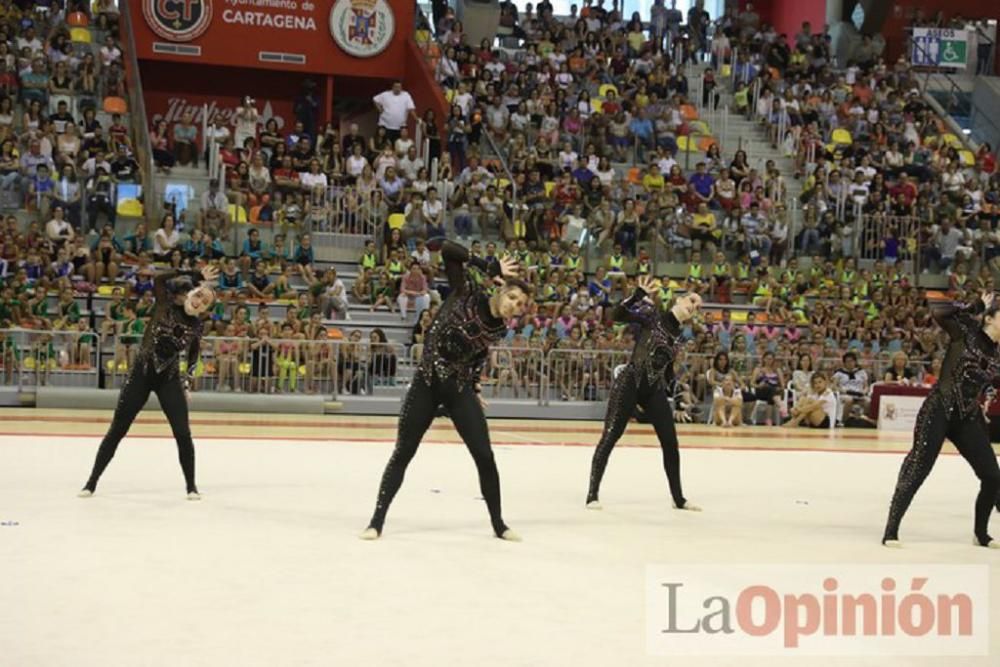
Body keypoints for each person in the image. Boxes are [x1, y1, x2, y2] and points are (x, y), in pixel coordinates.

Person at [362, 241, 530, 540]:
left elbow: (477, 353)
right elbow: (442, 248)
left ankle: (499, 524)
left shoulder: (499, 328)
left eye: (520, 305)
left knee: (485, 455)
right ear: (499, 289)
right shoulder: (465, 291)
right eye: (512, 297)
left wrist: (476, 385)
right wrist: (486, 264)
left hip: (459, 389)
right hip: (426, 384)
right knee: (403, 452)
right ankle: (376, 521)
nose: (513, 305)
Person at [78, 264, 219, 499]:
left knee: (183, 434)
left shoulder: (196, 326)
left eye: (205, 302)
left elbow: (193, 355)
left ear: (205, 309)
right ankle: (91, 482)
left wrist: (187, 381)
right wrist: (194, 274)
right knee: (118, 429)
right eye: (199, 295)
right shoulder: (165, 303)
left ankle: (191, 487)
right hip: (141, 375)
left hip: (169, 379)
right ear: (192, 291)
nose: (199, 301)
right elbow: (160, 279)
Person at [882, 292, 1000, 549]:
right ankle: (891, 530)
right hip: (938, 409)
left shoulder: (997, 354)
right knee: (919, 468)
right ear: (989, 318)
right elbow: (938, 308)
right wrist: (977, 305)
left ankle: (981, 534)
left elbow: (991, 380)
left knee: (992, 476)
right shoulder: (967, 331)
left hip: (967, 417)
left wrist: (988, 393)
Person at [586, 275, 703, 511]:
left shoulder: (678, 336)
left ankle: (678, 497)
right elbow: (615, 316)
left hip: (653, 389)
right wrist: (637, 294)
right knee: (610, 436)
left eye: (698, 306)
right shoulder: (653, 317)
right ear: (678, 301)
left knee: (670, 441)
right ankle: (592, 494)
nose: (694, 307)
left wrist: (680, 398)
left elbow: (667, 371)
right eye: (691, 301)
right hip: (630, 381)